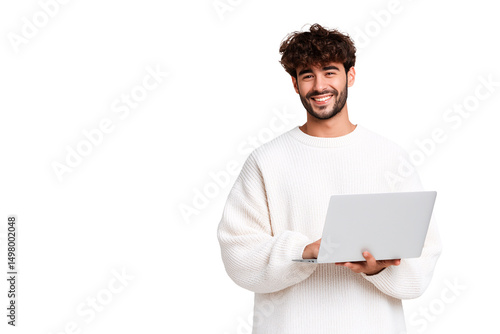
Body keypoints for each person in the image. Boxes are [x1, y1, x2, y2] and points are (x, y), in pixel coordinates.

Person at [217, 23, 441, 334]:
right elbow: (237, 256)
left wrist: (377, 270)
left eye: (330, 71)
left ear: (350, 75)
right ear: (295, 84)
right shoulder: (266, 160)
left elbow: (422, 265)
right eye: (307, 75)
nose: (319, 86)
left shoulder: (389, 157)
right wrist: (304, 251)